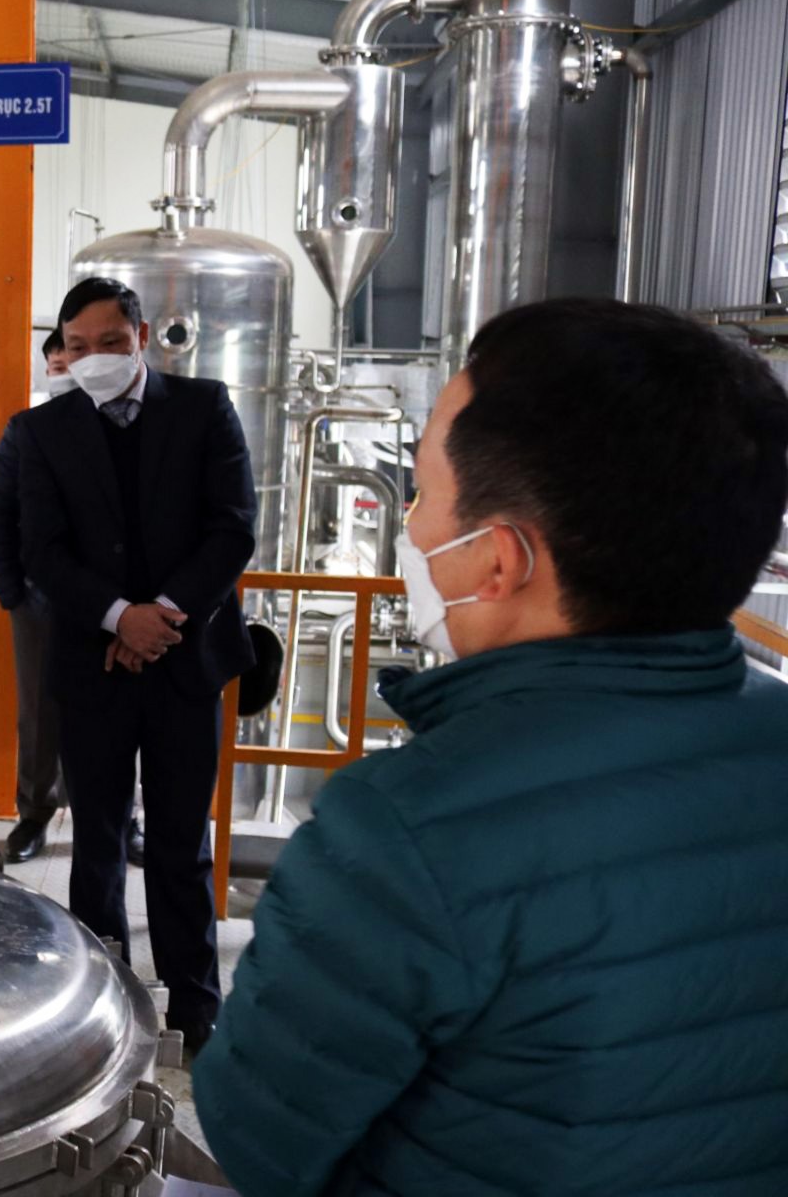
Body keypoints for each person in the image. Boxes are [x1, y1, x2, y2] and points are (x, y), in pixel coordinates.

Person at [194, 299, 788, 1196]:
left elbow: (257, 1135)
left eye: (426, 493)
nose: (416, 526)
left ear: (498, 561)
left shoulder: (406, 830)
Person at [15, 277, 255, 1056]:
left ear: (142, 339)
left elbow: (233, 530)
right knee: (98, 840)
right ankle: (100, 997)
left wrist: (161, 618)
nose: (96, 359)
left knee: (182, 845)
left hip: (187, 663)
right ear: (60, 351)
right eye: (77, 347)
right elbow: (41, 551)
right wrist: (120, 618)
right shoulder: (41, 431)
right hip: (95, 665)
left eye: (111, 344)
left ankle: (195, 1003)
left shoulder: (205, 408)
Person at [0, 330, 146, 865]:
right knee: (39, 711)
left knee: (122, 710)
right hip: (41, 602)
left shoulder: (123, 429)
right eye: (57, 365)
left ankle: (122, 819)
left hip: (114, 603)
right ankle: (34, 815)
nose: (67, 374)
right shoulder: (27, 432)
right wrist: (14, 593)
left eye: (74, 361)